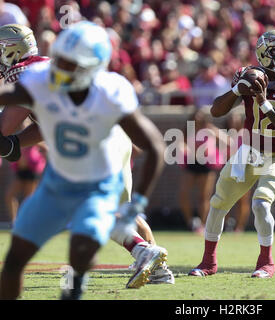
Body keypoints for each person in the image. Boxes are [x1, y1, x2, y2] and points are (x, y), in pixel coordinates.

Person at [0, 21, 167, 300]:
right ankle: (153, 262)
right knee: (117, 211)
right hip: (80, 159)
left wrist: (10, 142)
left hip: (100, 151)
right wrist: (15, 144)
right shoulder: (41, 75)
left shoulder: (102, 87)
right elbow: (43, 120)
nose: (64, 68)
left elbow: (5, 125)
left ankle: (144, 252)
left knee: (100, 212)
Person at [188, 30, 275, 278]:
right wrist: (237, 91)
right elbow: (216, 111)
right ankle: (208, 262)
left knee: (261, 203)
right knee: (218, 203)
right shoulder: (250, 77)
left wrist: (263, 102)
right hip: (250, 152)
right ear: (264, 56)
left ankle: (266, 263)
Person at [177, 108, 225, 233]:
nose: (197, 119)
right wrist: (184, 149)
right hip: (192, 162)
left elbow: (227, 140)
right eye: (195, 117)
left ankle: (203, 225)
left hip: (207, 164)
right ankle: (190, 223)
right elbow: (181, 144)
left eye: (199, 117)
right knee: (184, 194)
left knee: (204, 196)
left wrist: (215, 149)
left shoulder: (209, 129)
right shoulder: (188, 130)